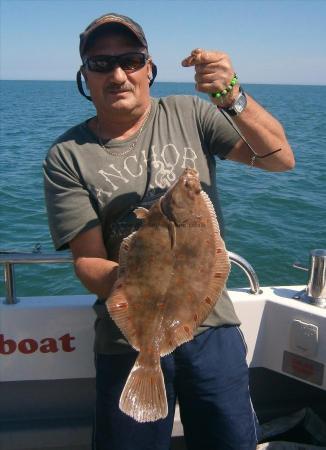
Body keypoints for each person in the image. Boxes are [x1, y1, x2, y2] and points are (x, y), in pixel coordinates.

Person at [43, 12, 295, 450]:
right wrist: (134, 290)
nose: (118, 74)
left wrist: (230, 95)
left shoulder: (191, 113)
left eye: (131, 59)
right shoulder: (67, 156)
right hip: (127, 339)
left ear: (150, 68)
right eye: (101, 64)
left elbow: (279, 159)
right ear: (84, 75)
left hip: (210, 325)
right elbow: (86, 259)